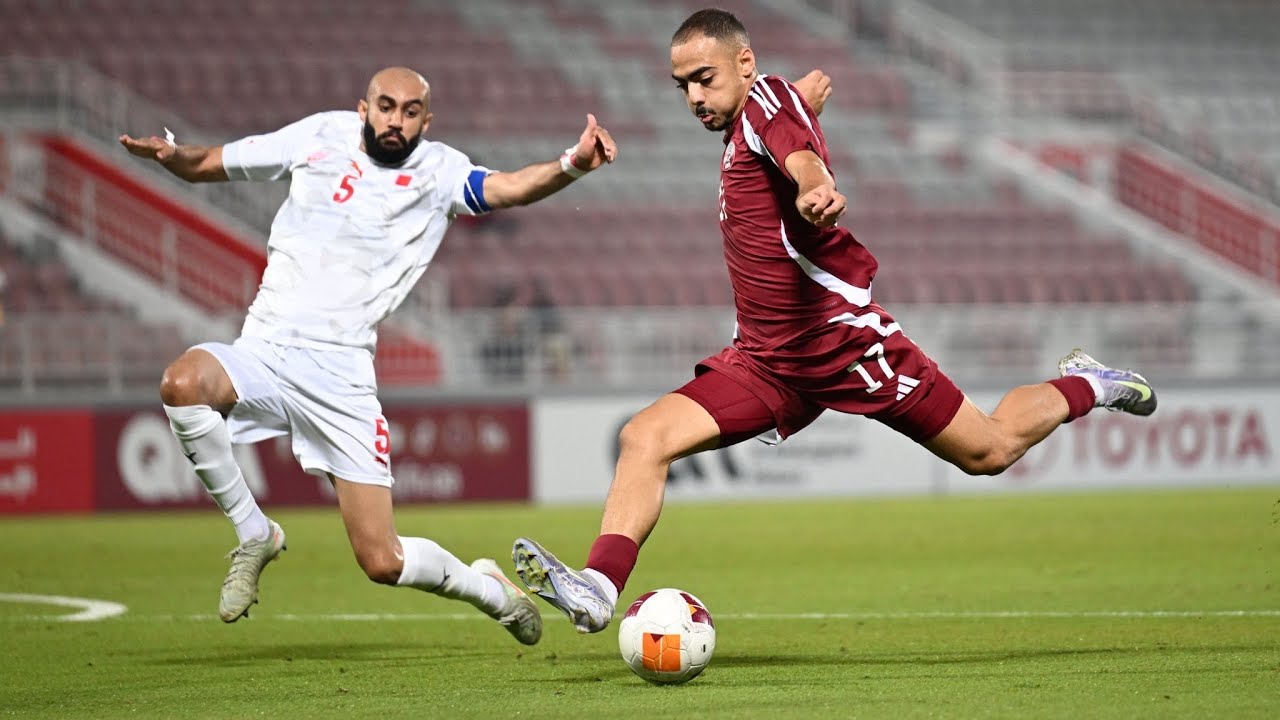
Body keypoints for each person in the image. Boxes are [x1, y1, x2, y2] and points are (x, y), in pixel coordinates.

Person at [509, 9, 1158, 634]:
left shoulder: (764, 99)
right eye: (682, 86)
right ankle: (597, 589)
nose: (693, 97)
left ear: (744, 63)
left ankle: (1091, 384)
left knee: (988, 451)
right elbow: (785, 132)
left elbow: (795, 151)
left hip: (843, 345)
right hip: (767, 359)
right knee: (644, 438)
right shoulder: (763, 112)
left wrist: (813, 184)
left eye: (704, 79)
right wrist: (802, 117)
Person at [117, 66, 622, 644]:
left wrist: (572, 163)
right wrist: (170, 155)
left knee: (382, 560)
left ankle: (489, 591)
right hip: (266, 348)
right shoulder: (318, 136)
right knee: (182, 384)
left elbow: (509, 186)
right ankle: (254, 532)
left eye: (410, 112)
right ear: (364, 108)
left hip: (342, 376)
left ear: (425, 122)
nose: (396, 119)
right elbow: (211, 163)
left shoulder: (440, 172)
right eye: (386, 106)